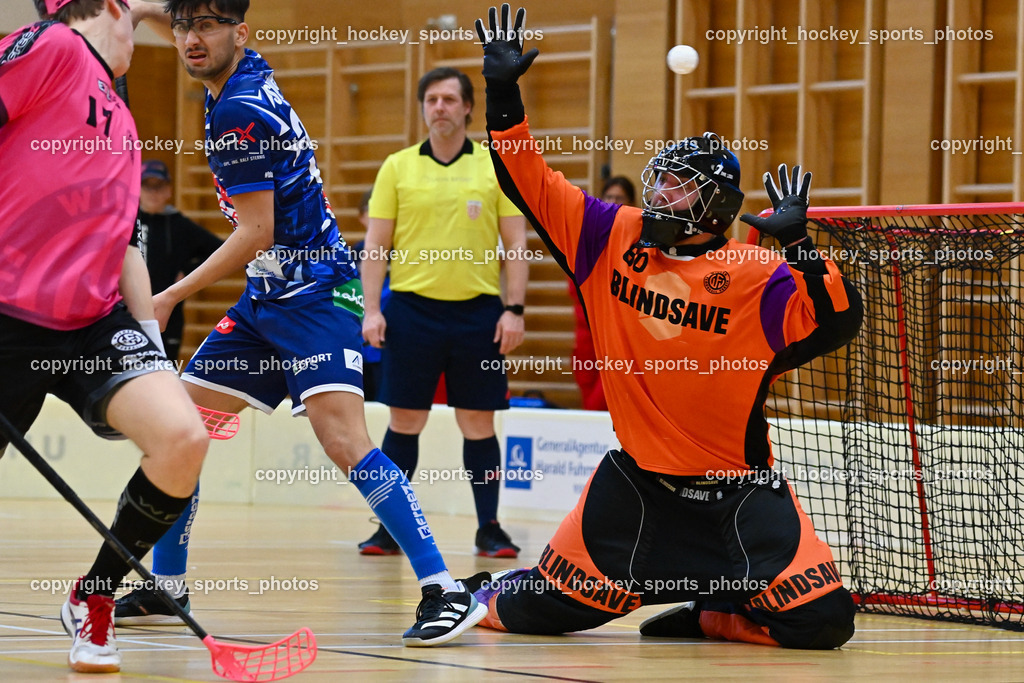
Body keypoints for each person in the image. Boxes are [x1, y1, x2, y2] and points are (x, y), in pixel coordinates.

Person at [466, 5, 863, 650]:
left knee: (824, 623)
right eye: (659, 183)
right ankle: (473, 588)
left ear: (715, 208)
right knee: (537, 613)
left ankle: (714, 612)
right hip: (636, 486)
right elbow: (526, 181)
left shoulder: (757, 275)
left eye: (678, 191)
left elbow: (838, 322)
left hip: (739, 493)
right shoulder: (606, 235)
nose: (658, 198)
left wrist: (803, 250)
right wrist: (504, 92)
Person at [119, 0, 486, 647]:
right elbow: (189, 33)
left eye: (207, 25)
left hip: (316, 295)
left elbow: (256, 232)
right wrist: (150, 11)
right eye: (185, 27)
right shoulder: (242, 71)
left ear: (241, 32)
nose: (191, 40)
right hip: (268, 303)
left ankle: (445, 589)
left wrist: (172, 292)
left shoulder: (237, 111)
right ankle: (167, 583)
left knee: (344, 440)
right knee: (181, 426)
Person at [0, 0, 210, 673]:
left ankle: (94, 593)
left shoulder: (120, 116)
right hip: (8, 317)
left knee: (183, 440)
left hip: (93, 322)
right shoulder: (53, 47)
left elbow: (122, 244)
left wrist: (150, 342)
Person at [360, 66, 528, 558]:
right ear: (422, 108)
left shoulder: (496, 167)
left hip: (478, 314)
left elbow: (516, 244)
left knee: (478, 422)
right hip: (411, 311)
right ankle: (388, 528)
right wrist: (372, 310)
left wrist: (513, 309)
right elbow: (376, 245)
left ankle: (489, 528)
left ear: (469, 107)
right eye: (431, 99)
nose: (440, 107)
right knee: (404, 420)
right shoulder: (397, 167)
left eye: (450, 99)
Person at [137, 159, 222, 361]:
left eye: (159, 186)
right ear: (137, 189)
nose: (153, 192)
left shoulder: (180, 226)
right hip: (129, 311)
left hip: (168, 314)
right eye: (147, 186)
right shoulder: (126, 221)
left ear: (168, 190)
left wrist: (187, 270)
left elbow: (219, 249)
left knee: (165, 369)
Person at [570, 176, 636, 411]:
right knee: (588, 402)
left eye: (620, 198)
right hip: (587, 338)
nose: (613, 202)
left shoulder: (637, 243)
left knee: (600, 405)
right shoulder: (587, 238)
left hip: (619, 341)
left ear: (631, 203)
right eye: (609, 197)